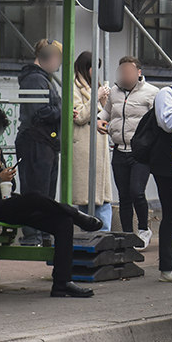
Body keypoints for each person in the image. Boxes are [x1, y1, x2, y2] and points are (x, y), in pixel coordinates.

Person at [0, 105, 101, 298]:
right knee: (34, 197)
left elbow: (11, 186)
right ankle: (75, 214)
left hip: (8, 204)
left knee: (63, 223)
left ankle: (62, 283)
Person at [99, 55, 158, 249]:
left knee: (136, 191)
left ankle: (143, 229)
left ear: (138, 73)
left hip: (140, 152)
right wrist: (100, 119)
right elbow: (107, 112)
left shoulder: (152, 93)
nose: (125, 75)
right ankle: (126, 235)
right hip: (118, 149)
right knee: (123, 195)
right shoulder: (115, 93)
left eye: (129, 71)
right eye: (122, 71)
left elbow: (158, 121)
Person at [15, 39, 63, 246]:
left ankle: (41, 233)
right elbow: (39, 112)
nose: (59, 63)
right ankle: (33, 235)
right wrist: (63, 110)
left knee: (44, 192)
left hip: (44, 143)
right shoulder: (36, 79)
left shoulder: (43, 79)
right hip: (36, 143)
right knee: (36, 190)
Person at [71, 52, 113, 230]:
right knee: (88, 197)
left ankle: (102, 233)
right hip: (85, 148)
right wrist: (96, 97)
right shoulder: (74, 87)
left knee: (101, 197)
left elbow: (98, 114)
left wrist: (104, 103)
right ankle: (95, 233)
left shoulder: (91, 86)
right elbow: (79, 115)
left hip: (98, 146)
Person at [149, 84, 172, 282]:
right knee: (171, 211)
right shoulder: (166, 93)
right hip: (166, 163)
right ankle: (167, 267)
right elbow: (167, 123)